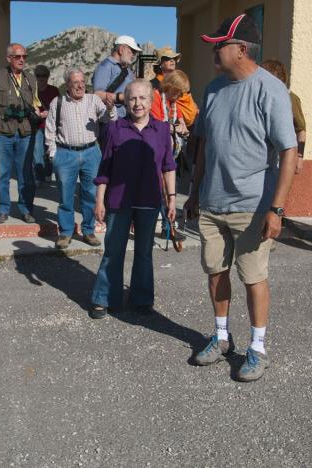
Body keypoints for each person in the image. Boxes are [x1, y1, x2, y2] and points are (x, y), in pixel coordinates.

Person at [184, 14, 298, 382]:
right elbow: (204, 145)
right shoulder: (213, 89)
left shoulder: (271, 90)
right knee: (215, 272)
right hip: (212, 204)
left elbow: (289, 151)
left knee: (253, 277)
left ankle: (258, 348)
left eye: (220, 44)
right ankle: (221, 338)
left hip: (252, 206)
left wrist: (276, 208)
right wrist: (194, 193)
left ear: (241, 49)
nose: (214, 51)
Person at [90, 79, 177, 319]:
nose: (137, 103)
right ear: (126, 102)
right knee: (113, 251)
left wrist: (171, 198)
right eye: (132, 98)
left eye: (142, 98)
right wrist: (99, 200)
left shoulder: (162, 130)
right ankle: (104, 298)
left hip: (149, 200)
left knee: (144, 252)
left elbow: (169, 166)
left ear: (151, 101)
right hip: (119, 201)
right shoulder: (114, 129)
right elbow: (105, 168)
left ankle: (142, 299)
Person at [45, 68, 116, 250]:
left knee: (90, 194)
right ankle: (66, 232)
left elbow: (109, 120)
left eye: (82, 81)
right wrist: (53, 154)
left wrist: (110, 108)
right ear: (67, 84)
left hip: (91, 152)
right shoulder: (57, 102)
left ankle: (88, 230)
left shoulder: (93, 100)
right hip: (65, 153)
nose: (80, 86)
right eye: (75, 82)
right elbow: (50, 129)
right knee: (65, 196)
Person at [0, 43, 42, 224]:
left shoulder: (31, 79)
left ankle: (26, 209)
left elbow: (35, 104)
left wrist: (40, 113)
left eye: (24, 56)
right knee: (2, 174)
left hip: (26, 132)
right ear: (9, 58)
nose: (22, 60)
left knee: (26, 174)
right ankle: (2, 209)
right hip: (1, 132)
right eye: (17, 56)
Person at [150, 69, 194, 242]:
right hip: (155, 152)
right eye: (179, 92)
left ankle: (168, 228)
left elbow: (182, 122)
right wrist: (176, 128)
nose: (180, 96)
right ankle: (164, 228)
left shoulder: (173, 103)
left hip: (170, 153)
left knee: (170, 192)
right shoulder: (155, 97)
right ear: (171, 87)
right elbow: (157, 123)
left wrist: (182, 128)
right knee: (159, 192)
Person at [261, 59, 306, 174]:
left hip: (281, 156)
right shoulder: (259, 95)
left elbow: (301, 129)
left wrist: (299, 157)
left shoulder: (290, 97)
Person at [93, 35, 142, 118]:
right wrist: (121, 97)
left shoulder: (128, 71)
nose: (134, 55)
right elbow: (97, 95)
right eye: (132, 51)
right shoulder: (105, 66)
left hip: (126, 118)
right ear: (121, 49)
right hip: (109, 119)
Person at [150, 46, 198, 130]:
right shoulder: (153, 85)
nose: (172, 60)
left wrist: (196, 110)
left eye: (174, 58)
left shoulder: (180, 80)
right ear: (160, 64)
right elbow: (157, 119)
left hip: (188, 125)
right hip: (169, 128)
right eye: (168, 58)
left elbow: (188, 99)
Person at [32, 65, 59, 186]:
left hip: (51, 126)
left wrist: (50, 112)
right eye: (39, 75)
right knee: (38, 154)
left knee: (50, 152)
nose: (41, 78)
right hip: (37, 126)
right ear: (35, 77)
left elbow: (59, 106)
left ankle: (48, 174)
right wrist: (37, 113)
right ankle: (39, 178)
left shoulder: (54, 91)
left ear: (48, 77)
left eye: (44, 75)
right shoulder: (32, 91)